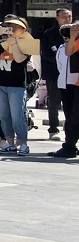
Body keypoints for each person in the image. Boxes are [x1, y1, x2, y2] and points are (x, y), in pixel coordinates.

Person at [0, 16, 33, 155]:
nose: (11, 29)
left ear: (23, 29)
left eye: (15, 27)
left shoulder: (28, 43)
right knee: (4, 116)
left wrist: (13, 42)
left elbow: (20, 59)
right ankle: (10, 143)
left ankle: (23, 144)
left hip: (17, 85)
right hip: (0, 83)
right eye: (9, 26)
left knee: (17, 115)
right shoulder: (2, 42)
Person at [41, 9, 72, 141]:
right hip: (54, 73)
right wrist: (60, 59)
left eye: (69, 16)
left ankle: (70, 128)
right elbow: (45, 54)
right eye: (64, 17)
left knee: (71, 102)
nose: (67, 19)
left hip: (72, 73)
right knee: (53, 101)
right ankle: (53, 129)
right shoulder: (50, 34)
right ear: (57, 18)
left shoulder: (75, 32)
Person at [50, 23, 79, 159]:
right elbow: (64, 58)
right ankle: (70, 146)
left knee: (76, 117)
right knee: (70, 117)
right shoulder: (64, 47)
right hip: (66, 84)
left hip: (75, 83)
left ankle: (69, 146)